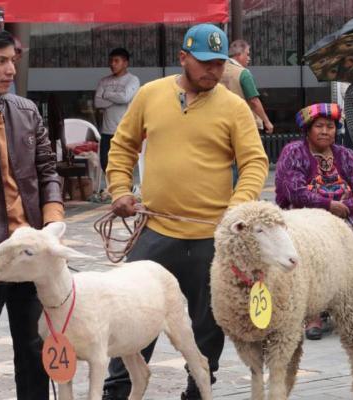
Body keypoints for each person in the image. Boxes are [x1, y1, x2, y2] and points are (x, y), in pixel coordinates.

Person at [101, 24, 269, 400]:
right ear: (183, 58)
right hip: (155, 231)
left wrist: (237, 209)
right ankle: (118, 390)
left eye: (219, 64)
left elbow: (255, 162)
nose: (212, 71)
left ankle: (199, 391)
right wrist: (119, 190)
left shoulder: (234, 106)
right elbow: (123, 146)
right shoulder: (150, 95)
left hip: (212, 236)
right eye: (204, 63)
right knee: (132, 316)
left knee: (207, 325)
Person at [0, 28, 63, 400]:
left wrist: (52, 220)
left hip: (29, 255)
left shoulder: (25, 110)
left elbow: (48, 168)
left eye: (12, 61)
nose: (10, 70)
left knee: (35, 352)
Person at [275, 103, 353, 340]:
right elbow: (292, 190)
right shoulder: (294, 152)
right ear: (308, 130)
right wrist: (328, 204)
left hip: (342, 219)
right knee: (314, 260)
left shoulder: (345, 155)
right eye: (319, 126)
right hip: (304, 220)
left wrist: (346, 208)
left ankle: (351, 312)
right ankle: (313, 316)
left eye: (329, 126)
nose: (324, 131)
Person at [94, 48, 140, 179]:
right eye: (111, 61)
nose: (112, 64)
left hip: (124, 130)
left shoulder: (132, 80)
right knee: (105, 164)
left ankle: (126, 191)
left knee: (123, 165)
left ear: (125, 63)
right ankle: (110, 193)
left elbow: (125, 98)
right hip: (106, 131)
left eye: (116, 61)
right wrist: (116, 99)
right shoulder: (104, 81)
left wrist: (107, 95)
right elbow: (97, 102)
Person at [220, 39, 273, 134]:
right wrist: (266, 121)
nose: (249, 58)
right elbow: (254, 101)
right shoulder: (243, 73)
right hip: (244, 125)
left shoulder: (219, 70)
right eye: (247, 54)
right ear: (239, 55)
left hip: (222, 124)